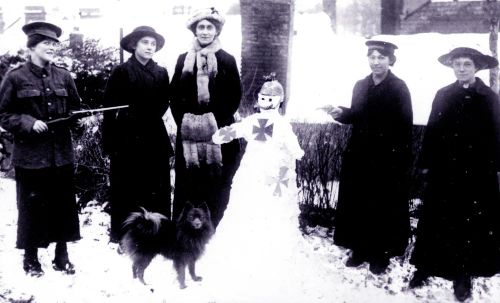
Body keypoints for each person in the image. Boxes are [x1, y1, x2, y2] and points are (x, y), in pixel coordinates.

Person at [200, 77, 318, 299]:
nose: (266, 102)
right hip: (252, 169)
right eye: (263, 98)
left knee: (274, 206)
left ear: (279, 101)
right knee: (247, 203)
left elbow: (291, 142)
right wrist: (223, 134)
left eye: (270, 99)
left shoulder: (282, 124)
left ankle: (272, 250)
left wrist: (296, 151)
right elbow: (237, 129)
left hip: (274, 172)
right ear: (258, 100)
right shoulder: (253, 121)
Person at [408, 47, 500, 302]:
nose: (461, 68)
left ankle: (463, 275)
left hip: (475, 174)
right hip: (444, 171)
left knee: (469, 225)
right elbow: (433, 130)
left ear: (477, 67)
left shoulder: (489, 98)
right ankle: (424, 268)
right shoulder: (444, 95)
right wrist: (425, 163)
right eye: (457, 64)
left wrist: (492, 169)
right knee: (436, 220)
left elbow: (496, 136)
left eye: (467, 64)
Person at [0, 22, 82, 276]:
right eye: (47, 43)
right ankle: (31, 258)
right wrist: (28, 122)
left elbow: (75, 111)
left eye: (55, 44)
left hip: (61, 155)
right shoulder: (15, 77)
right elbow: (4, 114)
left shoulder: (64, 76)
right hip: (31, 157)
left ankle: (61, 255)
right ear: (32, 46)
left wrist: (77, 120)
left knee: (63, 206)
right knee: (32, 208)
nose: (52, 48)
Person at [325, 40, 413, 275]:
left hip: (387, 158)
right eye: (372, 57)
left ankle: (380, 254)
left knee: (382, 205)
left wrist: (399, 160)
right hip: (360, 155)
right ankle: (360, 249)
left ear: (390, 60)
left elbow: (405, 126)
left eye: (381, 57)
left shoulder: (399, 87)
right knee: (359, 203)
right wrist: (340, 113)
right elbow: (356, 115)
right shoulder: (360, 85)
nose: (376, 62)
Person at [170, 7, 242, 226]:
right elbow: (174, 95)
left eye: (209, 27)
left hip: (218, 133)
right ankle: (184, 232)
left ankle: (214, 231)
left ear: (217, 31)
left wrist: (213, 124)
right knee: (188, 184)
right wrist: (187, 122)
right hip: (189, 134)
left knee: (216, 182)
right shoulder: (183, 59)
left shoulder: (227, 59)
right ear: (194, 30)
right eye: (200, 27)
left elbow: (234, 96)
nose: (204, 31)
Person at [102, 26, 173, 243]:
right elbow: (109, 109)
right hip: (126, 138)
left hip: (153, 136)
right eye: (145, 42)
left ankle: (155, 236)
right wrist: (110, 142)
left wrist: (146, 115)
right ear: (134, 45)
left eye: (153, 43)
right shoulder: (121, 71)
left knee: (156, 187)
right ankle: (125, 238)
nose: (150, 47)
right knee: (126, 188)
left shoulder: (161, 73)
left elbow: (163, 103)